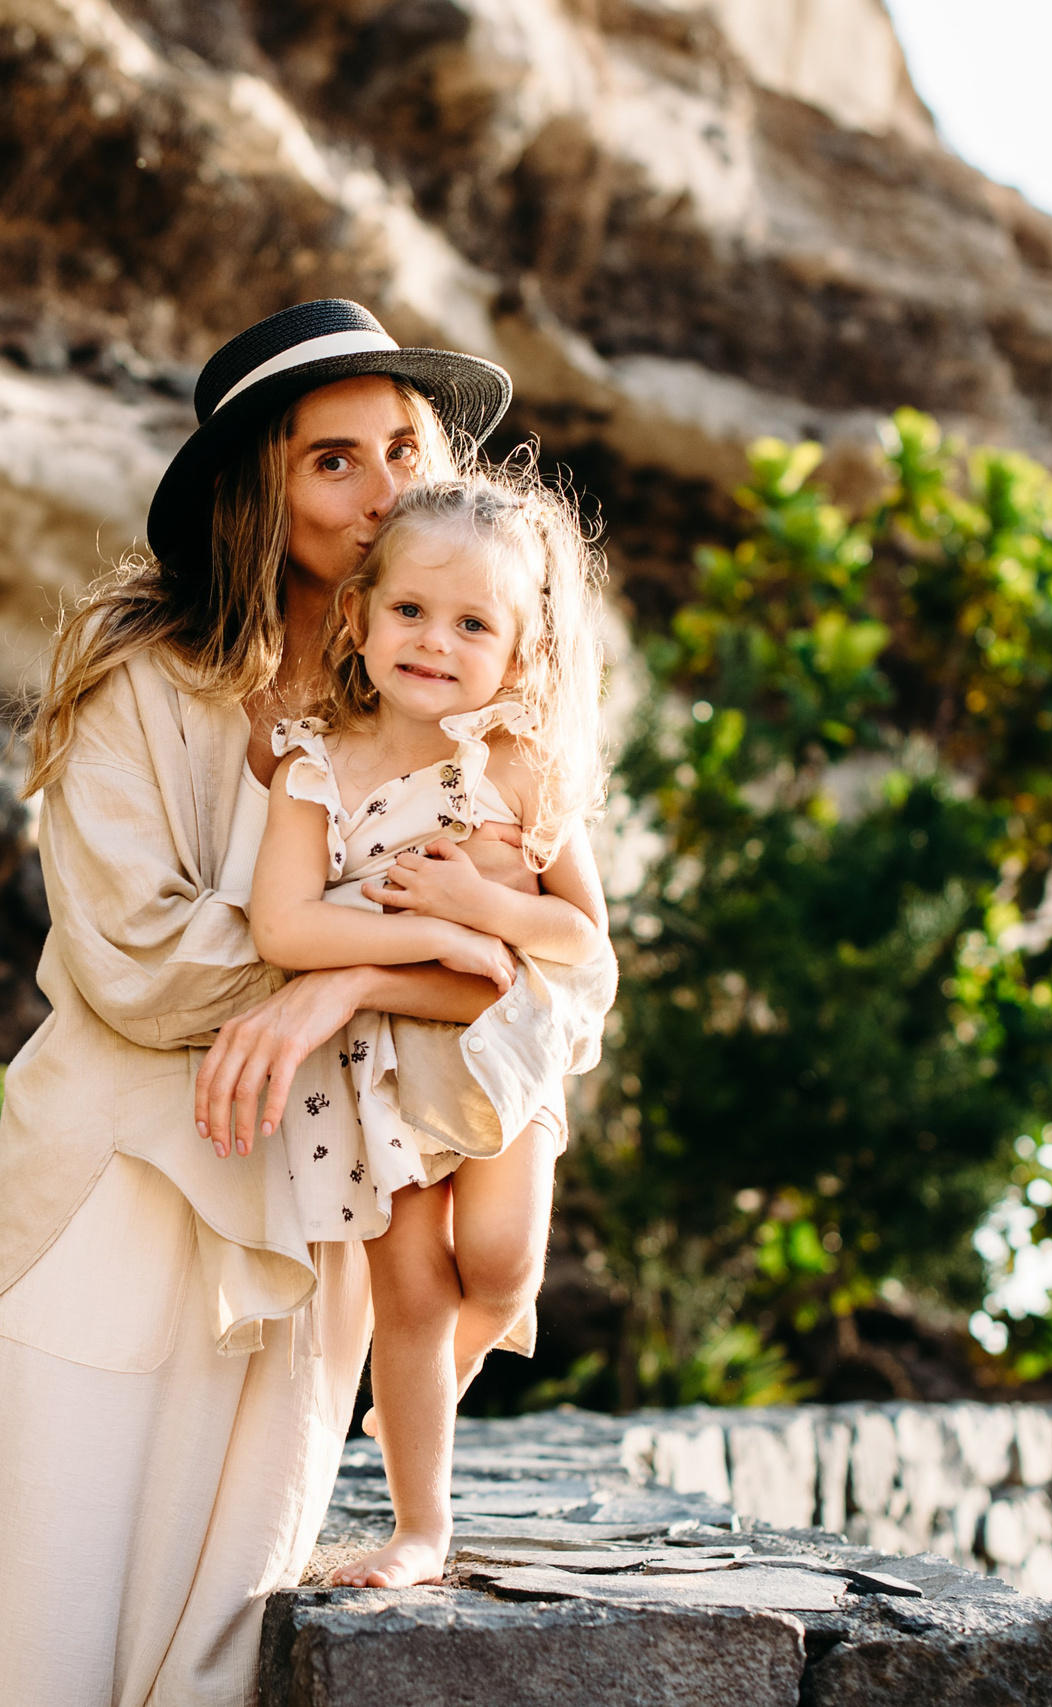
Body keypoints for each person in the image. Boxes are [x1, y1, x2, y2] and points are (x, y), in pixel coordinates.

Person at [0, 301, 615, 1707]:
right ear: (260, 484)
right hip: (114, 1197)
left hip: (317, 1221)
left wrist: (339, 983)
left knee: (219, 1664)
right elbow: (142, 960)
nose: (382, 493)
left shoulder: (467, 715)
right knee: (32, 1649)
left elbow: (564, 982)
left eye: (404, 451)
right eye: (333, 460)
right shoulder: (140, 681)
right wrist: (395, 969)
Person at [243, 471, 611, 1590]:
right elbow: (282, 925)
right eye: (409, 612)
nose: (434, 643)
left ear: (517, 649)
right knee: (409, 1292)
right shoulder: (316, 769)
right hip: (373, 1073)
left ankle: (427, 1399)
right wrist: (430, 947)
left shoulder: (518, 765)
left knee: (500, 1268)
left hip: (500, 1054)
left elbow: (580, 940)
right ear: (356, 618)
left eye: (471, 625)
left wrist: (486, 912)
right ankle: (419, 1525)